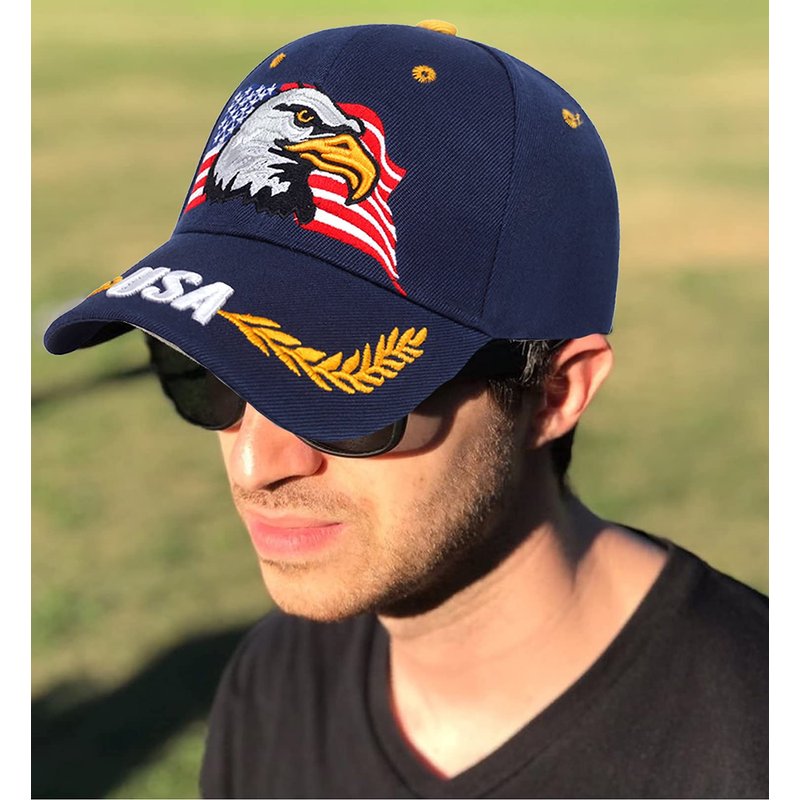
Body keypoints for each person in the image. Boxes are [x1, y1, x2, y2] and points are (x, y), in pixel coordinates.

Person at [44, 20, 767, 799]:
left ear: (556, 394)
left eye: (346, 395)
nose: (256, 465)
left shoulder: (757, 744)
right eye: (209, 370)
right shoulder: (276, 683)